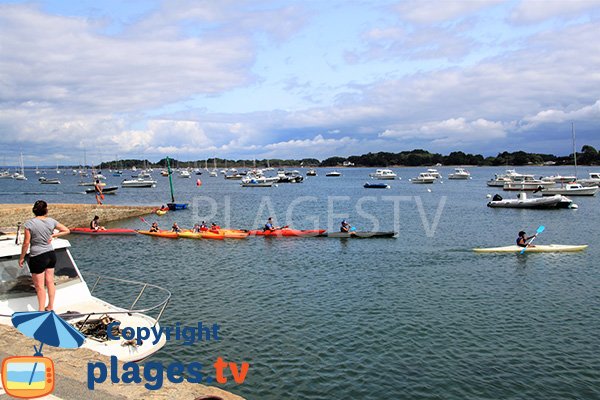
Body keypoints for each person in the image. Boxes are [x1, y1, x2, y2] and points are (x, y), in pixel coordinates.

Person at [18, 200, 70, 311]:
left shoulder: (29, 224)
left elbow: (26, 243)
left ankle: (41, 310)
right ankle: (50, 306)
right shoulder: (51, 221)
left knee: (40, 287)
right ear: (46, 210)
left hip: (37, 256)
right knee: (50, 282)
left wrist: (22, 257)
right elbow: (66, 230)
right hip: (50, 254)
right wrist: (54, 235)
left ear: (34, 211)